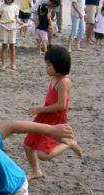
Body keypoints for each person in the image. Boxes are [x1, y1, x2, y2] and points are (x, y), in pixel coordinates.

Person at [23, 46, 82, 180]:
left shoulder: (64, 82)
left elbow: (61, 106)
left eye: (49, 65)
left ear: (59, 65)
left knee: (44, 154)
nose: (46, 68)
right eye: (47, 64)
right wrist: (41, 111)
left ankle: (69, 143)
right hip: (44, 115)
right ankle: (36, 171)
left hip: (55, 118)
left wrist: (40, 109)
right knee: (27, 145)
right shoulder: (54, 78)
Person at [0, 0, 22, 71]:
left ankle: (13, 64)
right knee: (4, 46)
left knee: (12, 46)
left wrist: (22, 24)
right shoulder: (1, 7)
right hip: (4, 26)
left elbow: (16, 19)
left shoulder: (16, 6)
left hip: (12, 26)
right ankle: (3, 64)